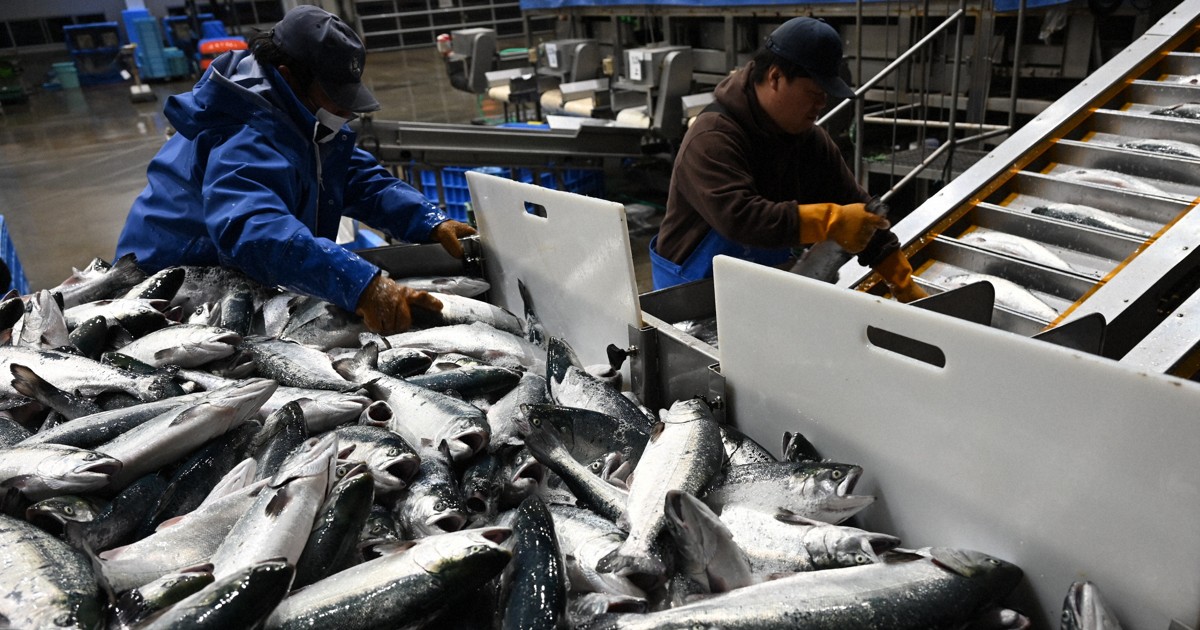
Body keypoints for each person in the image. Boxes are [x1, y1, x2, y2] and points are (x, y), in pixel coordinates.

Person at [115, 6, 476, 333]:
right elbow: (254, 229)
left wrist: (429, 221)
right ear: (287, 75)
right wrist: (362, 284)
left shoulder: (296, 114)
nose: (346, 111)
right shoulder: (246, 129)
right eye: (334, 95)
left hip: (227, 277)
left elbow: (354, 177)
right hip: (168, 287)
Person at [649, 17, 927, 303]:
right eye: (813, 93)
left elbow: (855, 204)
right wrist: (830, 222)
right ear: (775, 77)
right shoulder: (713, 136)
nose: (821, 105)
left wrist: (902, 281)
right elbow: (739, 218)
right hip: (690, 297)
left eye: (825, 96)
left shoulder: (809, 141)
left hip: (760, 289)